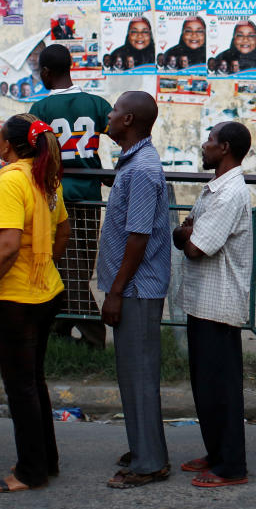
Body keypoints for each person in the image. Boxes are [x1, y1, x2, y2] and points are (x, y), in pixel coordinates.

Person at [0, 114, 69, 493]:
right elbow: (62, 228)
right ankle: (46, 459)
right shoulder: (43, 175)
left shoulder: (13, 179)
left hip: (15, 299)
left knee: (21, 386)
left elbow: (9, 244)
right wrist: (42, 263)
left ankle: (30, 471)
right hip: (45, 291)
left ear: (6, 145)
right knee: (33, 381)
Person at [173, 122, 252, 488]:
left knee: (221, 389)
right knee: (206, 387)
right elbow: (184, 233)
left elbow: (194, 245)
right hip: (202, 300)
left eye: (210, 140)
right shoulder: (214, 189)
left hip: (219, 304)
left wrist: (189, 232)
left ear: (225, 148)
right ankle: (217, 452)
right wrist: (188, 231)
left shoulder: (229, 193)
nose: (204, 145)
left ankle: (231, 466)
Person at [98, 91, 171, 488]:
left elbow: (138, 237)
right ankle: (143, 446)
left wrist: (115, 291)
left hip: (136, 289)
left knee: (140, 374)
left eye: (113, 111)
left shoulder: (142, 168)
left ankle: (149, 463)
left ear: (127, 120)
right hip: (130, 287)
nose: (107, 117)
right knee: (132, 372)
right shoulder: (134, 162)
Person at [30, 44, 112, 348]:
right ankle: (63, 328)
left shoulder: (39, 110)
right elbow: (121, 134)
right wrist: (103, 167)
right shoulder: (95, 103)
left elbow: (33, 152)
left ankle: (92, 335)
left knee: (65, 265)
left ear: (46, 73)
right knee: (78, 264)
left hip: (55, 198)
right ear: (71, 67)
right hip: (90, 197)